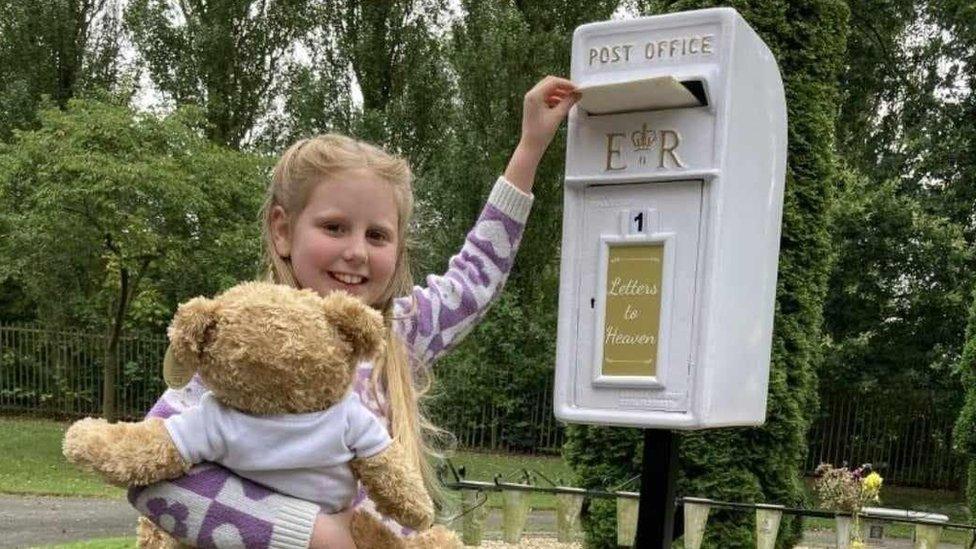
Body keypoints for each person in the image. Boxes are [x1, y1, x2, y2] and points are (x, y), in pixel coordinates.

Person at [128, 76, 579, 548]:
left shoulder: (399, 333)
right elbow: (150, 477)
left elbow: (477, 276)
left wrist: (530, 146)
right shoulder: (239, 349)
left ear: (399, 247)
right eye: (335, 227)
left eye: (377, 235)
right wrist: (311, 535)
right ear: (283, 230)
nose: (357, 252)